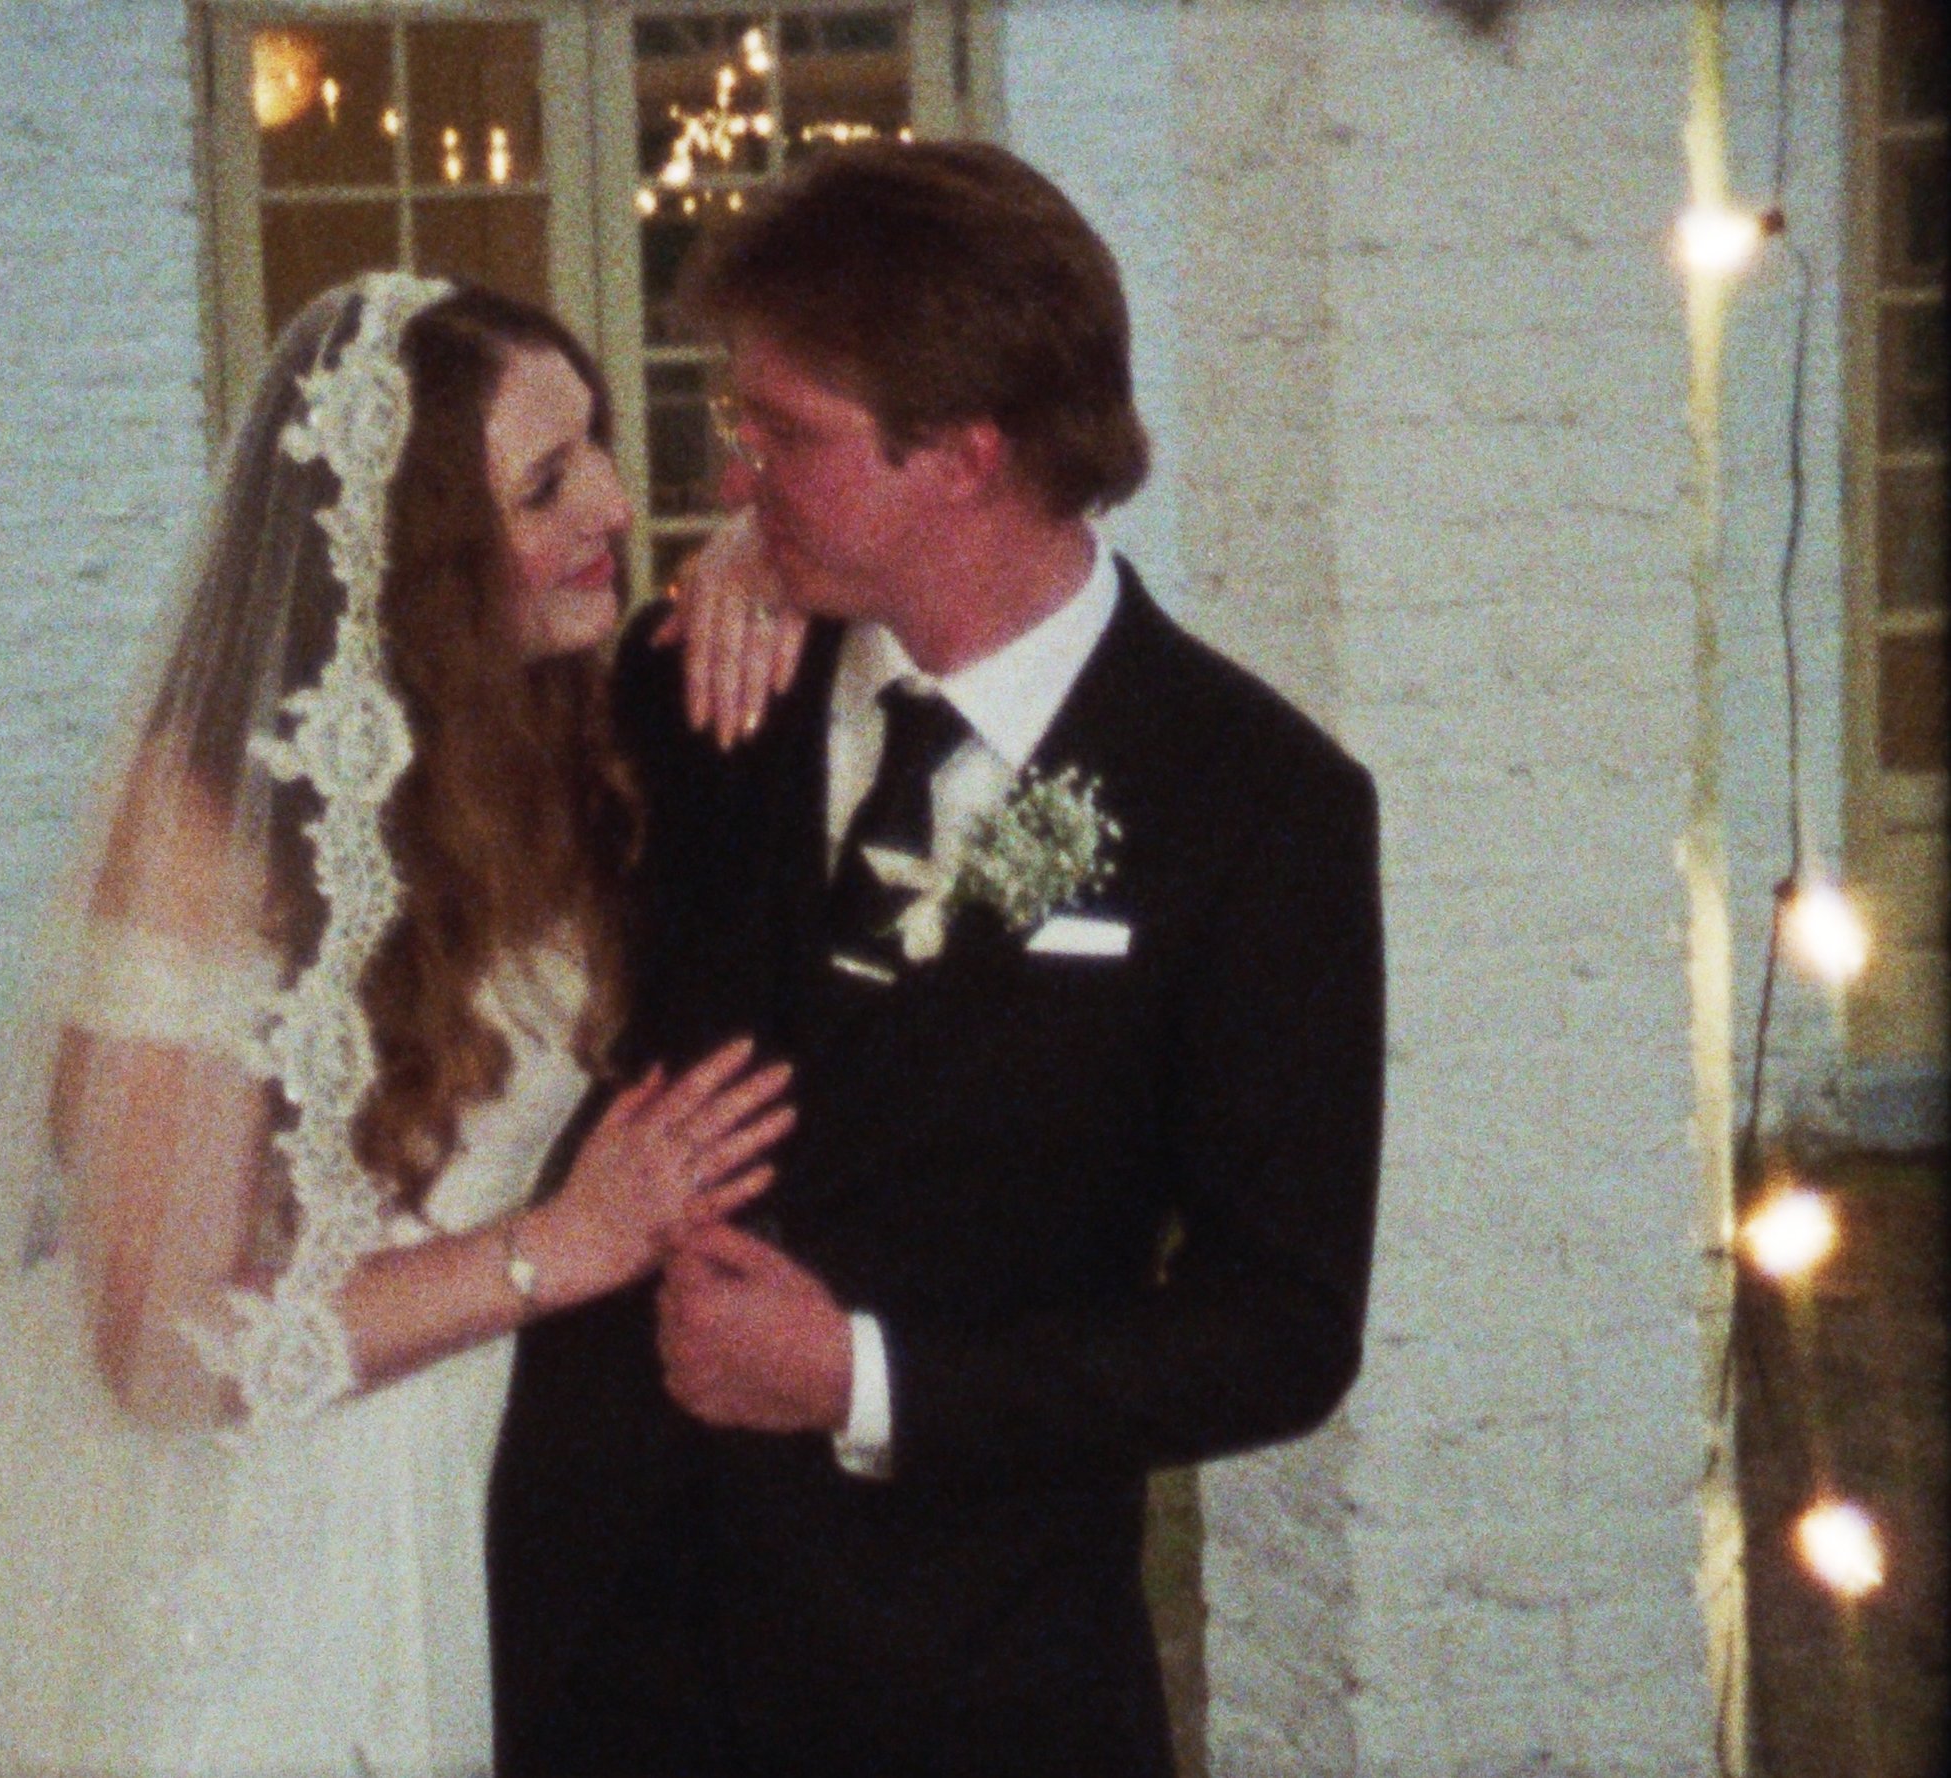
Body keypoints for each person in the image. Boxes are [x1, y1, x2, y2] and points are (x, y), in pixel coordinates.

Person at [0, 273, 794, 1777]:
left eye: (598, 439)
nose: (616, 496)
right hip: (271, 1503)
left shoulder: (567, 731)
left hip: (506, 1477)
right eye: (548, 481)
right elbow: (153, 1335)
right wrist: (562, 1246)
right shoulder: (203, 824)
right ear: (415, 560)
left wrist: (754, 555)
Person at [488, 142, 1385, 1778]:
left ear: (966, 457)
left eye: (785, 439)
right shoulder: (701, 680)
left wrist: (866, 1378)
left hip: (966, 1691)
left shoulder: (1257, 808)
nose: (730, 476)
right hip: (606, 1661)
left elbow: (1282, 1327)